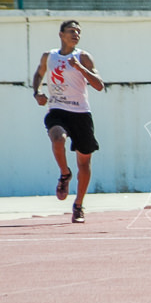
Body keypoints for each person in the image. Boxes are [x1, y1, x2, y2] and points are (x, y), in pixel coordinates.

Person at [31, 19, 105, 223]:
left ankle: (78, 205)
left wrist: (80, 68)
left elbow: (99, 86)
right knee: (57, 138)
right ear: (61, 34)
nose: (76, 34)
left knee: (85, 160)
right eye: (71, 31)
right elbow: (39, 74)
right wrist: (37, 92)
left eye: (78, 32)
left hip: (80, 113)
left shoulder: (83, 57)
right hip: (57, 109)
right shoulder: (50, 56)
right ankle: (65, 174)